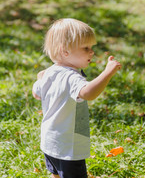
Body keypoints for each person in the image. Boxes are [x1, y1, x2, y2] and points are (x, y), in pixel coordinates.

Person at [32, 18, 122, 178]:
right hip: (69, 146)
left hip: (49, 141)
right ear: (65, 51)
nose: (92, 52)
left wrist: (40, 78)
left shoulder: (48, 73)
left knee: (56, 174)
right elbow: (88, 93)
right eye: (86, 48)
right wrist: (107, 73)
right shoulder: (71, 77)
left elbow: (36, 93)